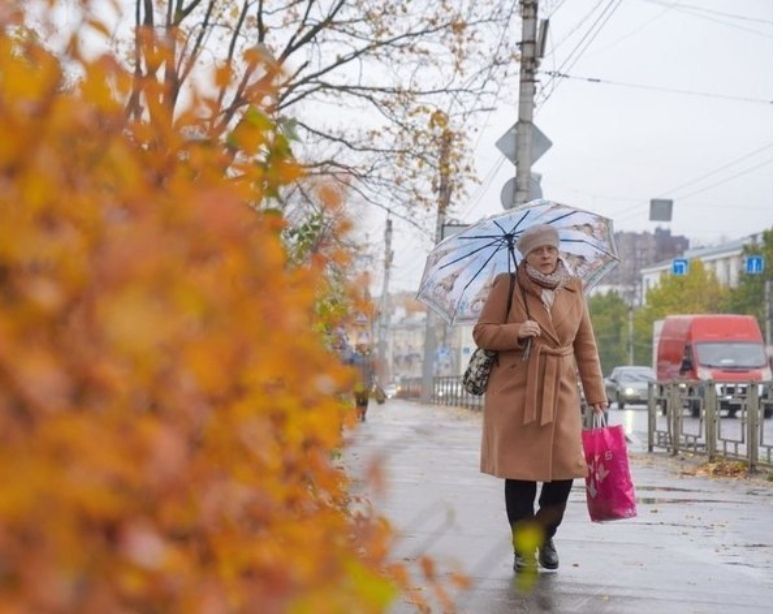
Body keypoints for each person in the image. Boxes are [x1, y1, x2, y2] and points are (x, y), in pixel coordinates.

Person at [472, 223, 607, 573]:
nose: (545, 256)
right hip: (517, 391)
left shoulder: (574, 288)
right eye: (537, 251)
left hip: (561, 388)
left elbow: (585, 345)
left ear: (558, 251)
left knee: (564, 471)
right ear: (526, 255)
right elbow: (482, 333)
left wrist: (596, 393)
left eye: (550, 249)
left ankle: (545, 534)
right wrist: (515, 331)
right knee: (520, 474)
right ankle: (523, 548)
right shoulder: (508, 285)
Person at [348, 339, 375, 422]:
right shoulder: (354, 356)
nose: (364, 347)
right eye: (362, 346)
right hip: (358, 382)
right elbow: (350, 366)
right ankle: (358, 413)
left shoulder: (370, 356)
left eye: (365, 346)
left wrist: (374, 377)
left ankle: (363, 414)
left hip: (367, 381)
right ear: (359, 347)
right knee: (358, 399)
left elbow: (374, 369)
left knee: (365, 399)